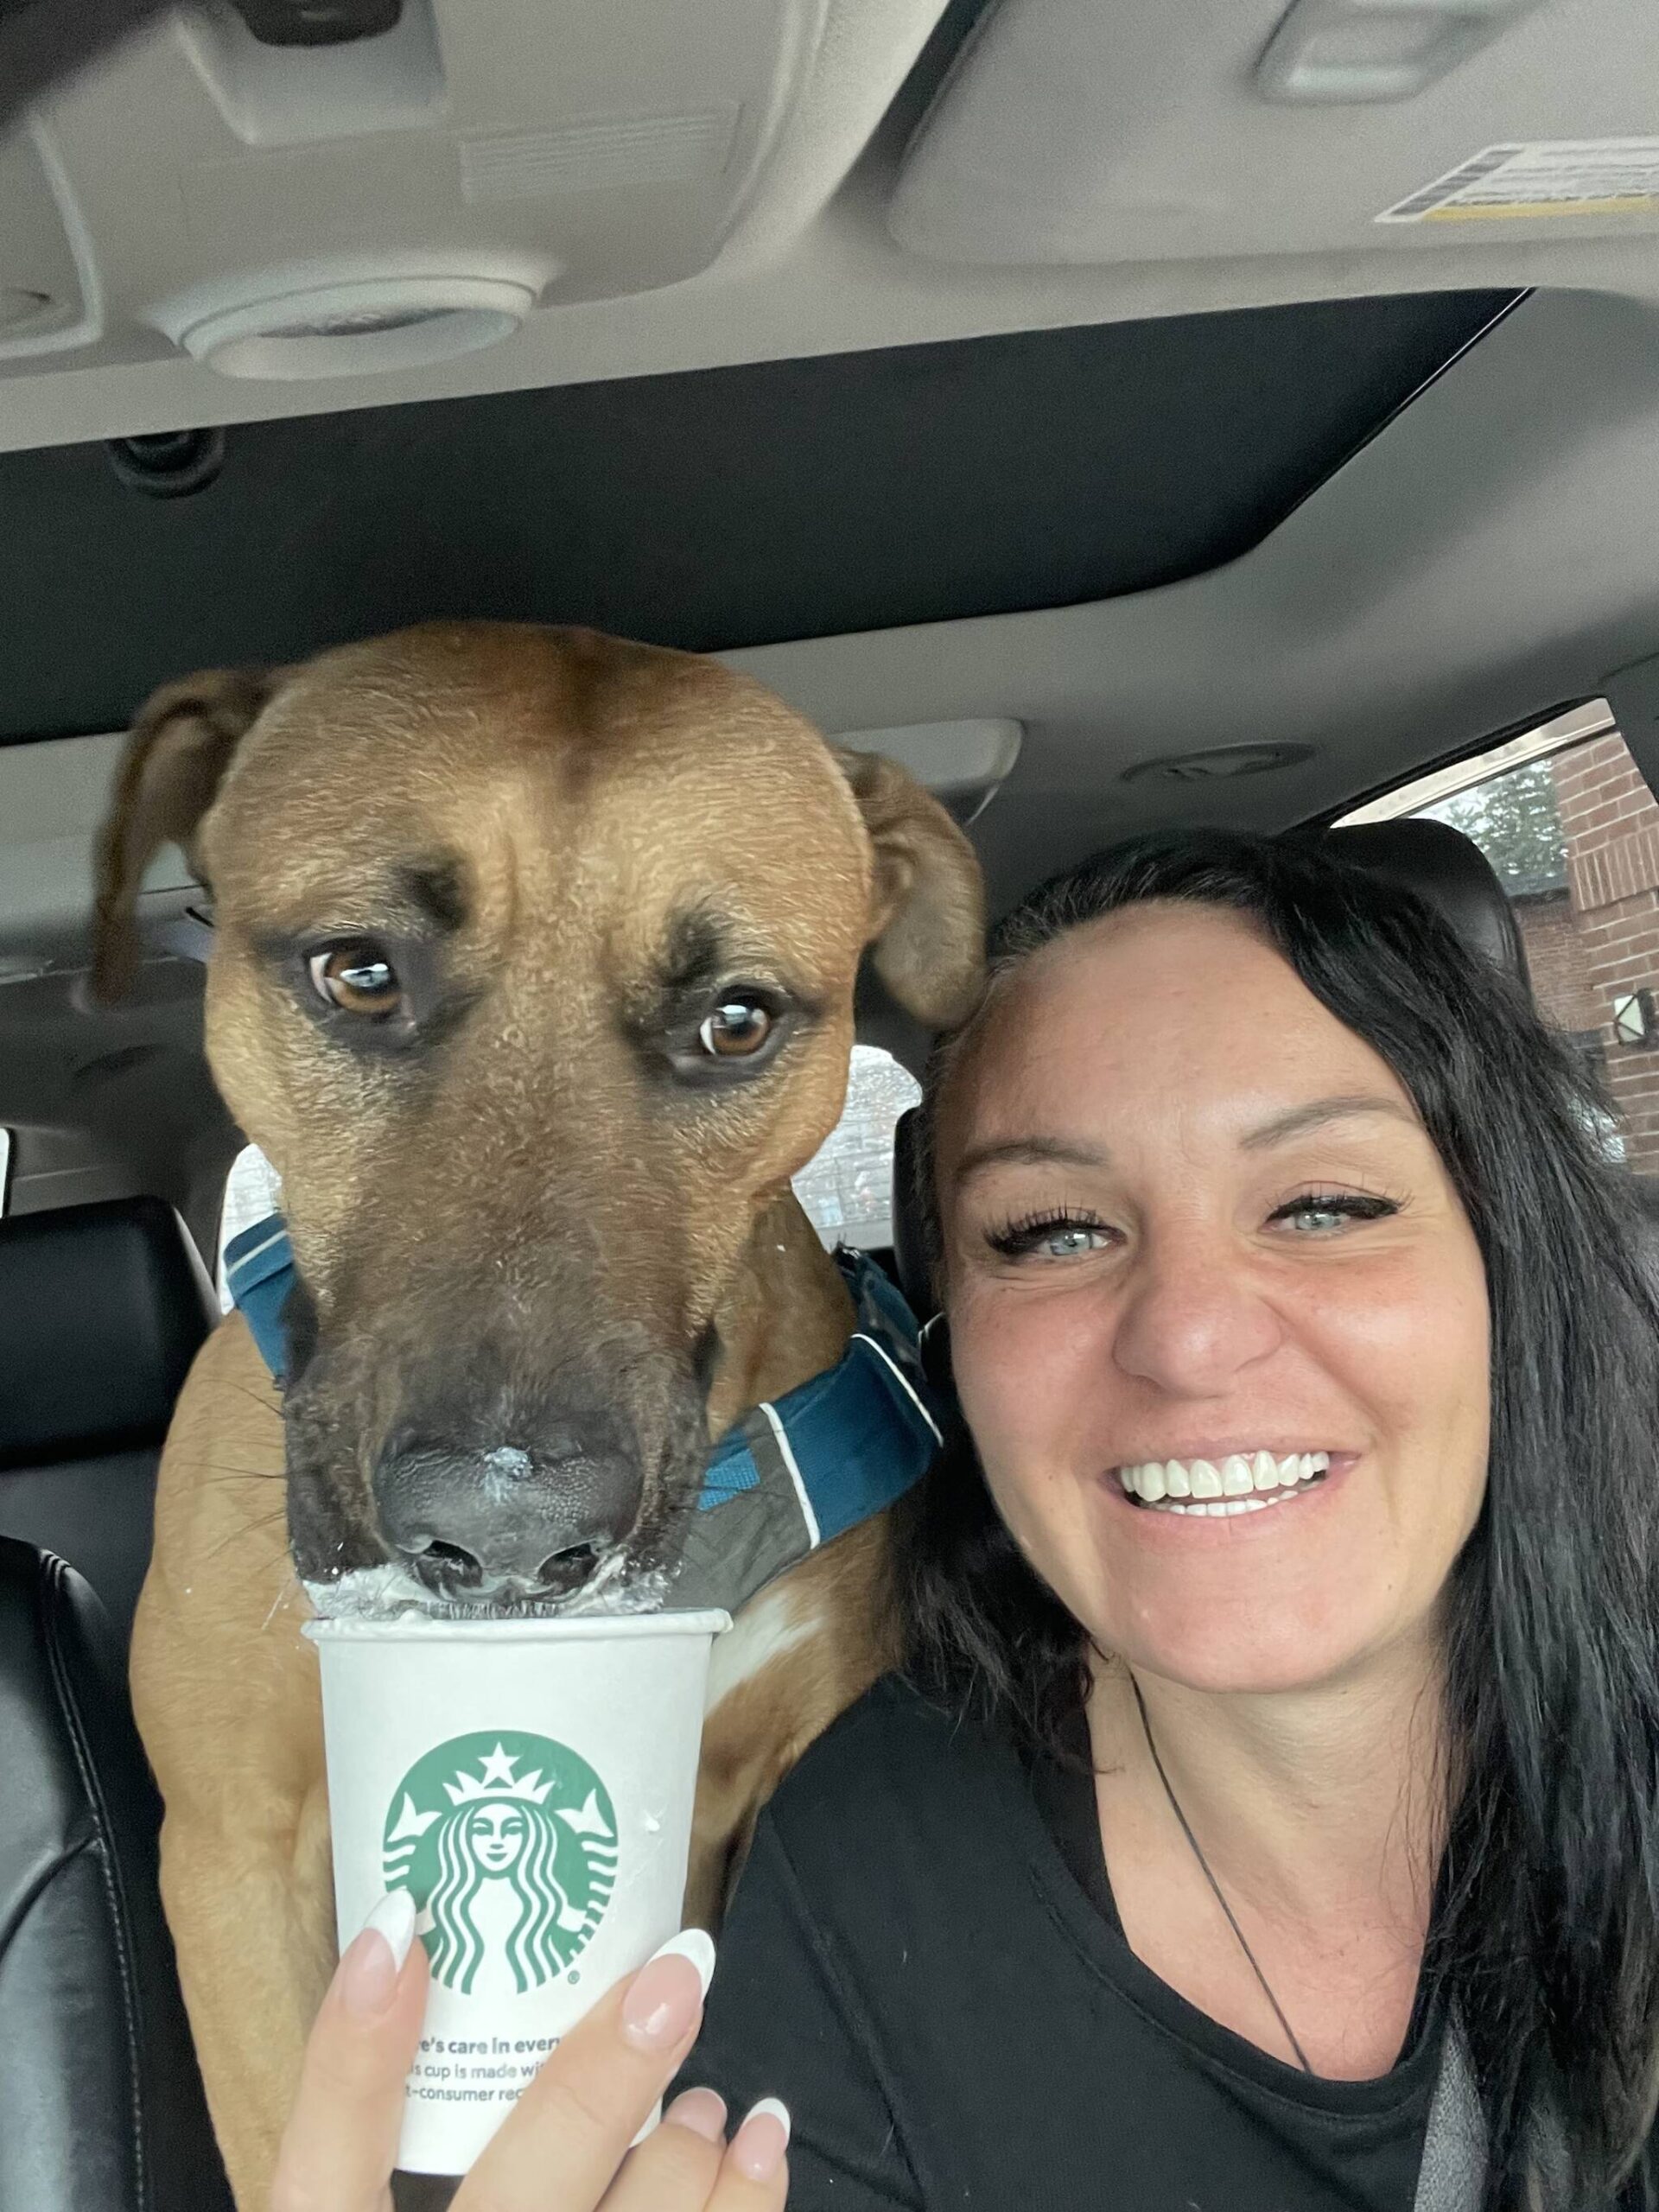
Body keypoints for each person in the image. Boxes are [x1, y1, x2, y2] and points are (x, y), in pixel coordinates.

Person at [277, 828, 1659, 2210]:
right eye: (1052, 1231)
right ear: (954, 1340)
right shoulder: (863, 1872)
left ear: (1509, 1257)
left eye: (1324, 1205)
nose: (1186, 1337)